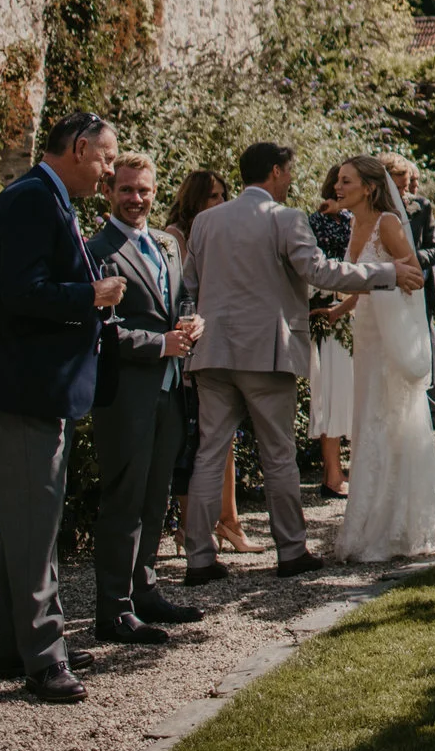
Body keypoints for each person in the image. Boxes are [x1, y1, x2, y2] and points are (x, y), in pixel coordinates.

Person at [180, 142, 421, 583]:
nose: (291, 181)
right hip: (267, 354)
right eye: (288, 173)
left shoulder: (204, 222)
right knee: (278, 455)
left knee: (209, 454)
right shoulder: (284, 218)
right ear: (275, 172)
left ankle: (198, 559)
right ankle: (291, 551)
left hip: (211, 353)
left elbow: (189, 286)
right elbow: (319, 272)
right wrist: (386, 275)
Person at [0, 112, 125, 703]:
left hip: (35, 388)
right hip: (23, 389)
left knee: (29, 528)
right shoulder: (32, 200)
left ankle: (13, 648)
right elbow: (21, 293)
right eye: (105, 158)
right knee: (34, 528)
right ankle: (45, 659)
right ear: (78, 149)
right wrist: (92, 295)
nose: (108, 172)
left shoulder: (46, 196)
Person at [86, 151, 205, 648]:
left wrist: (194, 323)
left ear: (157, 191)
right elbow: (97, 333)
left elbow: (178, 303)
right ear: (110, 191)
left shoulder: (167, 246)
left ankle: (146, 590)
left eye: (145, 190)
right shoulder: (96, 250)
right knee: (124, 501)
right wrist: (160, 345)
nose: (136, 199)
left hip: (170, 393)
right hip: (126, 396)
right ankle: (113, 610)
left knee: (156, 497)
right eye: (127, 190)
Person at [330, 156, 435, 563]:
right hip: (366, 333)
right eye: (338, 180)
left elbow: (412, 274)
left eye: (346, 181)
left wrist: (382, 272)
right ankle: (368, 520)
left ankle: (404, 525)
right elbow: (363, 281)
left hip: (390, 337)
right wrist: (336, 312)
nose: (337, 187)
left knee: (392, 419)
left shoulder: (387, 223)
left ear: (369, 187)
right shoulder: (352, 223)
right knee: (368, 418)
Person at [163, 170, 257, 554]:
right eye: (212, 196)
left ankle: (229, 521)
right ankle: (190, 528)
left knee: (222, 438)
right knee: (196, 441)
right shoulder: (176, 236)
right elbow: (179, 293)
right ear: (195, 199)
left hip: (219, 343)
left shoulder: (217, 231)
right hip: (189, 349)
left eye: (223, 195)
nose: (219, 202)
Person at [379, 153, 435, 432]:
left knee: (424, 350)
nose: (406, 192)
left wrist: (414, 261)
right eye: (401, 186)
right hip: (384, 291)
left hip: (418, 288)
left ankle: (433, 409)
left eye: (408, 185)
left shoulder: (421, 207)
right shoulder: (371, 213)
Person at [304, 183, 358, 497]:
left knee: (355, 394)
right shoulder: (315, 221)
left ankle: (354, 469)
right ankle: (332, 473)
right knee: (332, 391)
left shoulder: (364, 220)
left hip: (359, 310)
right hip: (330, 313)